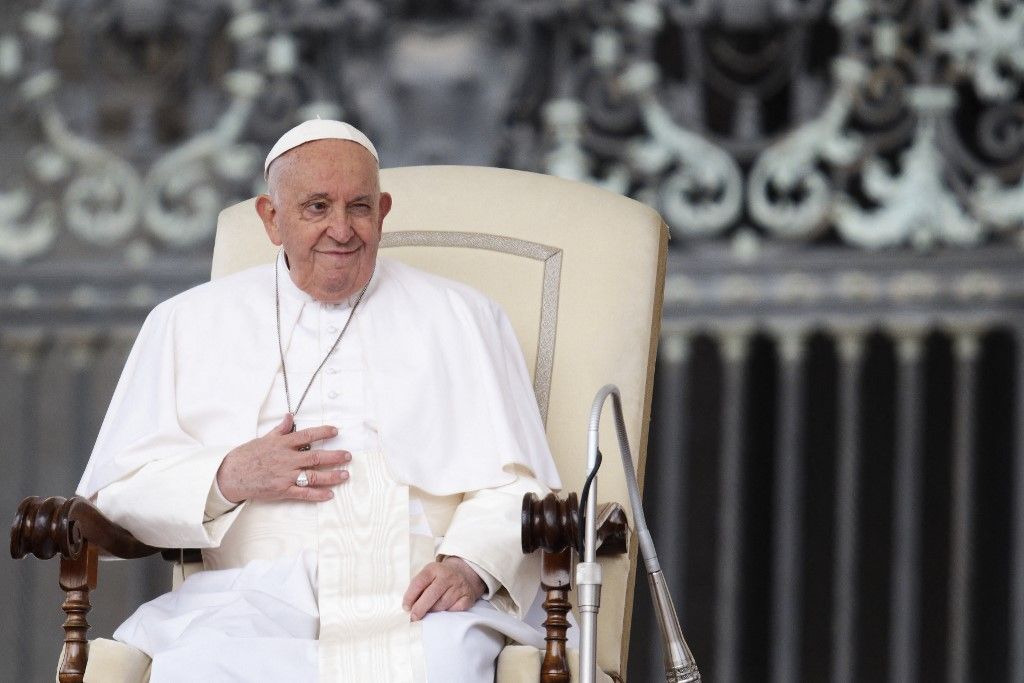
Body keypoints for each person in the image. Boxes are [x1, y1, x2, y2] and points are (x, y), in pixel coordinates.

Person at [76, 120, 562, 682]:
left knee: (446, 663)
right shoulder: (185, 322)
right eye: (316, 207)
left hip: (416, 600)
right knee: (201, 666)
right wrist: (228, 475)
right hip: (246, 596)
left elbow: (522, 484)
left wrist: (471, 564)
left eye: (358, 207)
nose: (341, 229)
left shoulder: (465, 316)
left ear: (382, 211)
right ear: (271, 218)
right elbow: (116, 494)